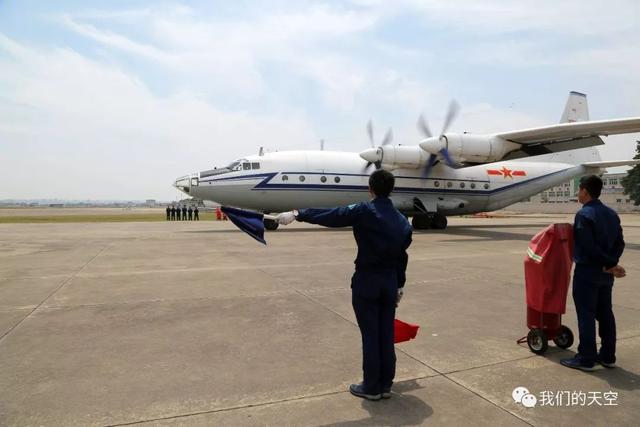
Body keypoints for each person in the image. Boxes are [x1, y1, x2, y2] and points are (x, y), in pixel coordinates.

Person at [276, 170, 412, 401]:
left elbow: (333, 215)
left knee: (370, 335)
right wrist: (399, 285)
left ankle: (371, 387)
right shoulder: (402, 221)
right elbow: (402, 257)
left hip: (368, 281)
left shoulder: (364, 211)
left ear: (370, 189)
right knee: (385, 334)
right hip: (390, 283)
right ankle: (386, 384)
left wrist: (298, 214)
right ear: (391, 189)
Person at [561, 175, 626, 372]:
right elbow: (620, 243)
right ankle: (607, 356)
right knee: (605, 313)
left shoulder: (584, 215)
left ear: (585, 192)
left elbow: (588, 247)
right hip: (605, 275)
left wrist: (607, 264)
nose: (577, 193)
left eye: (579, 190)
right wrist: (611, 264)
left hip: (587, 272)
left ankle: (586, 358)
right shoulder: (611, 214)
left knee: (586, 315)